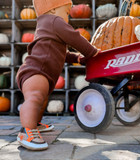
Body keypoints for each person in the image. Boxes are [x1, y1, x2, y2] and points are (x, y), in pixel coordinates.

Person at [16, 0, 100, 151]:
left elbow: (63, 53)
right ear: (53, 9)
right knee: (35, 98)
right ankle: (26, 131)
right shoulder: (54, 20)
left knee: (41, 101)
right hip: (35, 71)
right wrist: (91, 52)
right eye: (67, 12)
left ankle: (34, 124)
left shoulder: (48, 26)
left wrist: (77, 58)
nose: (68, 17)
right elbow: (74, 37)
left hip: (41, 74)